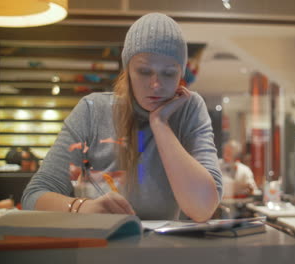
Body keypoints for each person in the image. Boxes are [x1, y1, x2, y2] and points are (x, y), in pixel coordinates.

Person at [21, 13, 222, 222]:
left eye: (169, 73)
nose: (156, 84)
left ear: (180, 73)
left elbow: (203, 208)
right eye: (144, 71)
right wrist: (83, 207)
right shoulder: (92, 110)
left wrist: (159, 123)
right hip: (99, 248)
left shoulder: (189, 109)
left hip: (165, 252)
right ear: (128, 71)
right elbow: (33, 196)